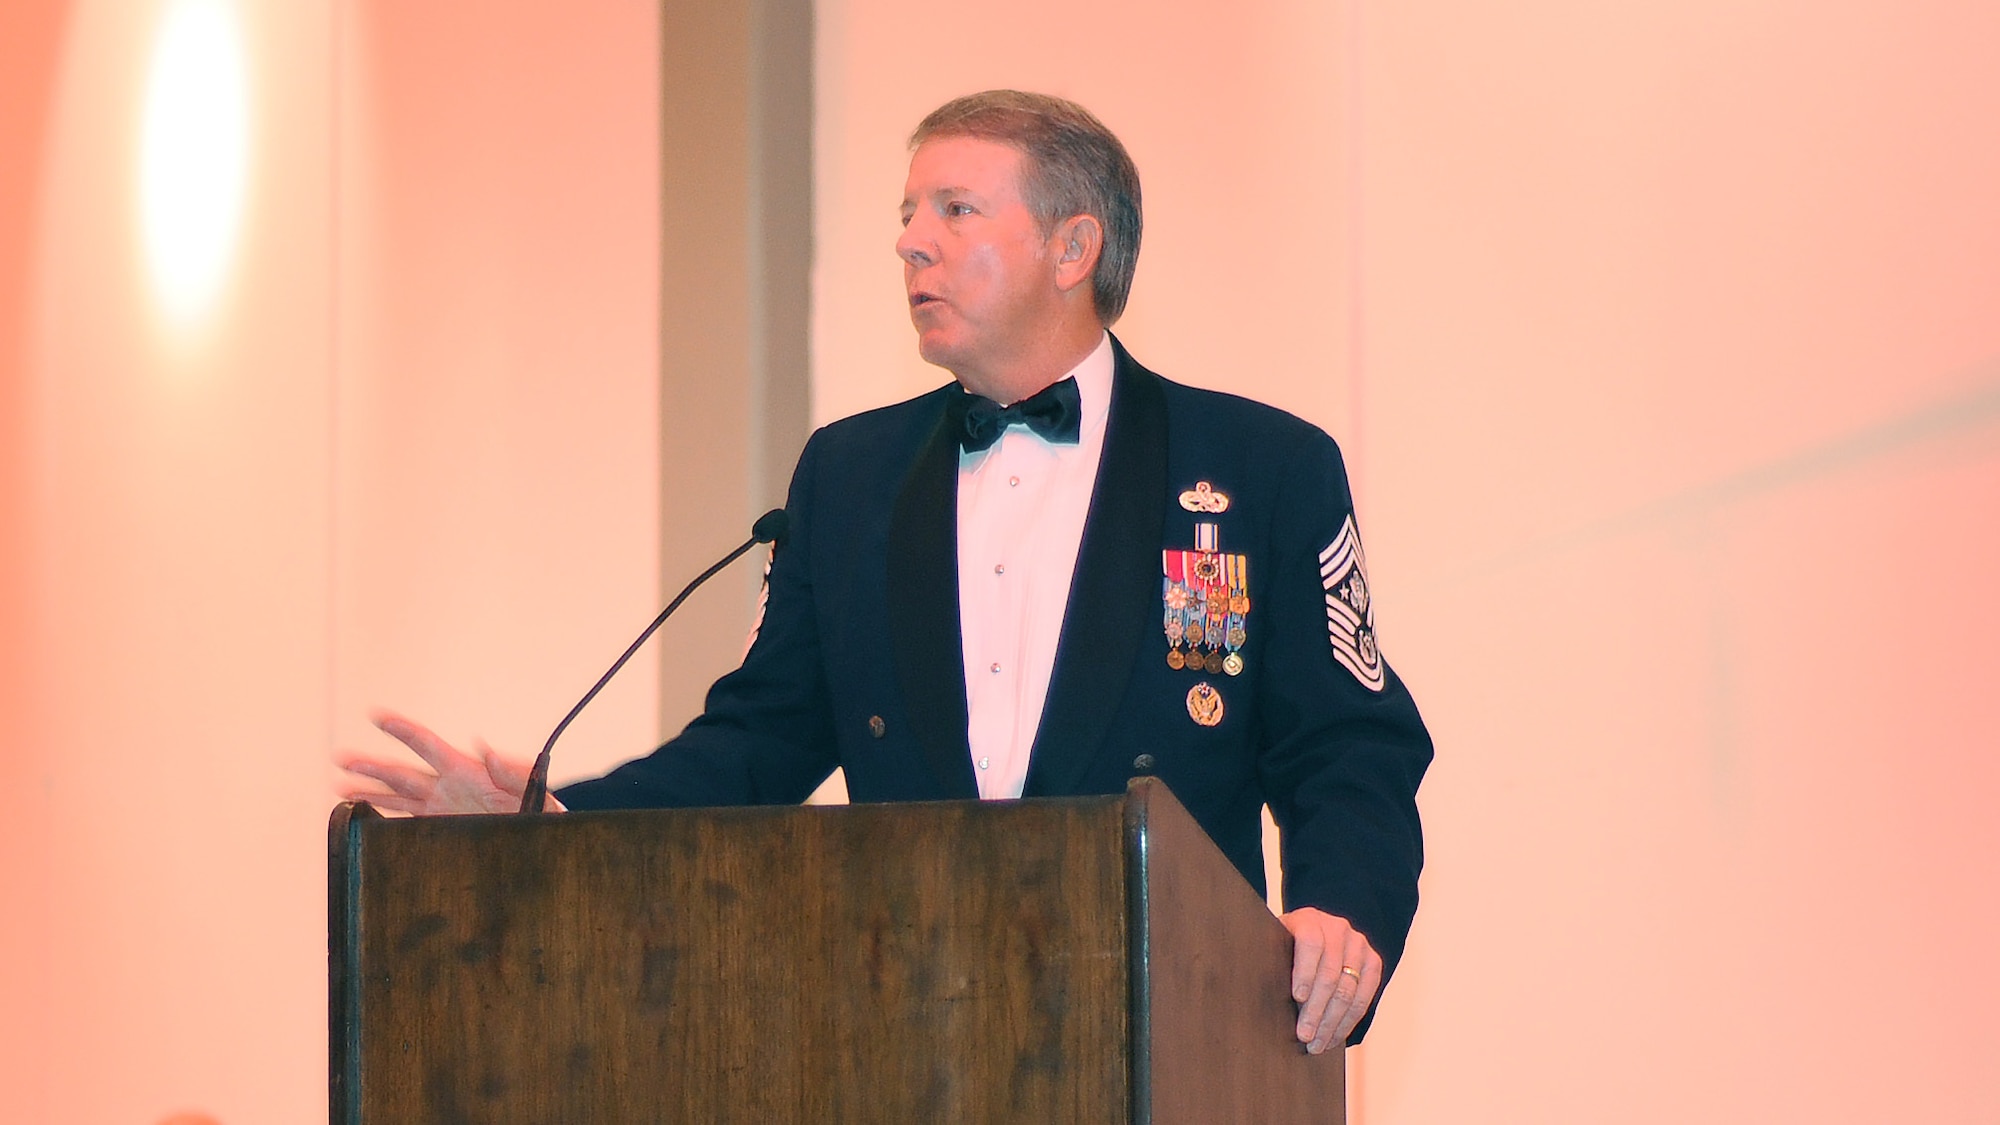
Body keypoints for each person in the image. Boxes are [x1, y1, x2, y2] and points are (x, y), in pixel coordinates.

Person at [341, 90, 1432, 1054]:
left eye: (955, 210)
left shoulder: (1260, 467)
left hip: (1168, 1023)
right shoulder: (850, 474)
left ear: (1072, 248)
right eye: (907, 215)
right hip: (908, 1028)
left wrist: (1341, 911)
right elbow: (758, 741)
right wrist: (556, 819)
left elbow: (1347, 742)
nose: (911, 244)